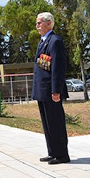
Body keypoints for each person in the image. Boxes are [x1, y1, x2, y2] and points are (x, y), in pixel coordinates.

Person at [32, 12, 70, 165]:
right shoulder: (42, 41)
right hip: (42, 90)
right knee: (47, 124)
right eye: (37, 23)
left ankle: (62, 154)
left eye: (39, 23)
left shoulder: (55, 41)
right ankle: (52, 151)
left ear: (49, 23)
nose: (37, 26)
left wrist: (56, 90)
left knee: (56, 123)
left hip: (51, 90)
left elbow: (58, 69)